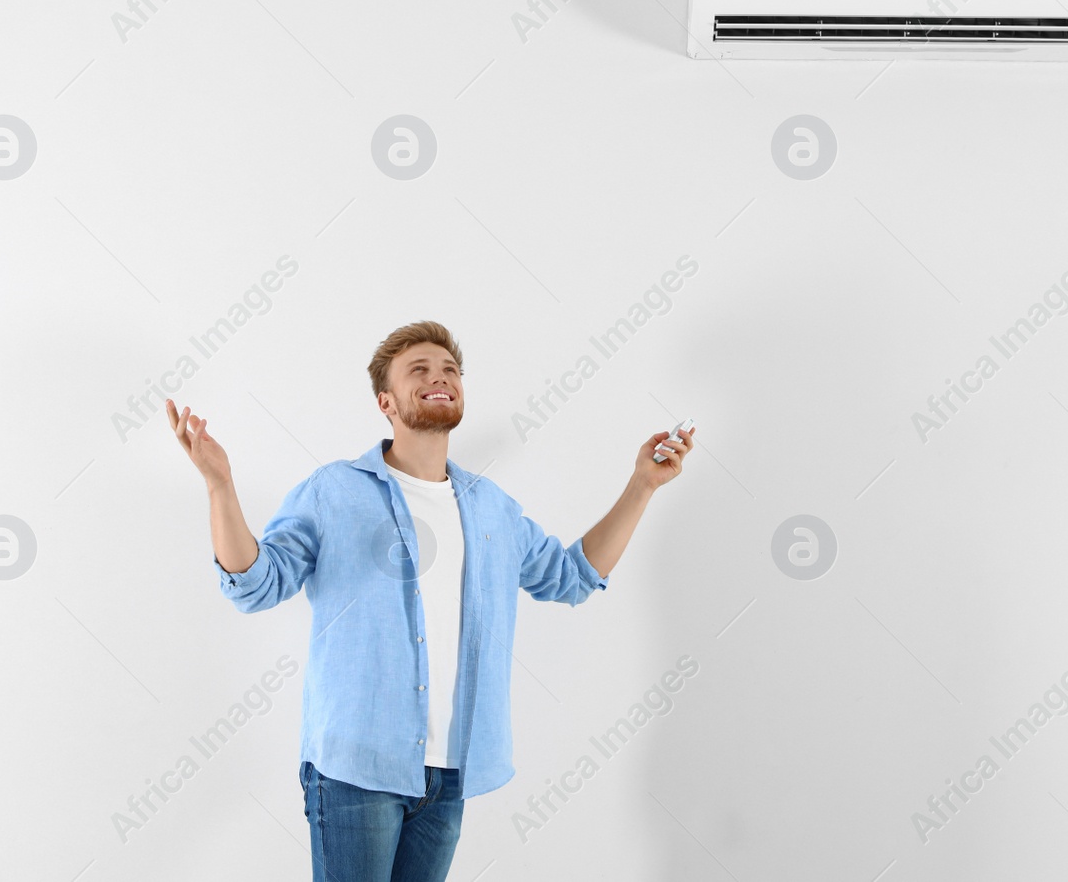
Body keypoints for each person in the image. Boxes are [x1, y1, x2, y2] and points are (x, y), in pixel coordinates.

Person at [166, 320, 694, 882]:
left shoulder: (491, 507)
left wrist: (642, 485)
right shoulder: (333, 491)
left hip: (448, 774)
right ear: (385, 401)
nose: (439, 378)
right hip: (354, 771)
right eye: (419, 369)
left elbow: (571, 577)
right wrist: (220, 486)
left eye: (449, 370)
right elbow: (255, 584)